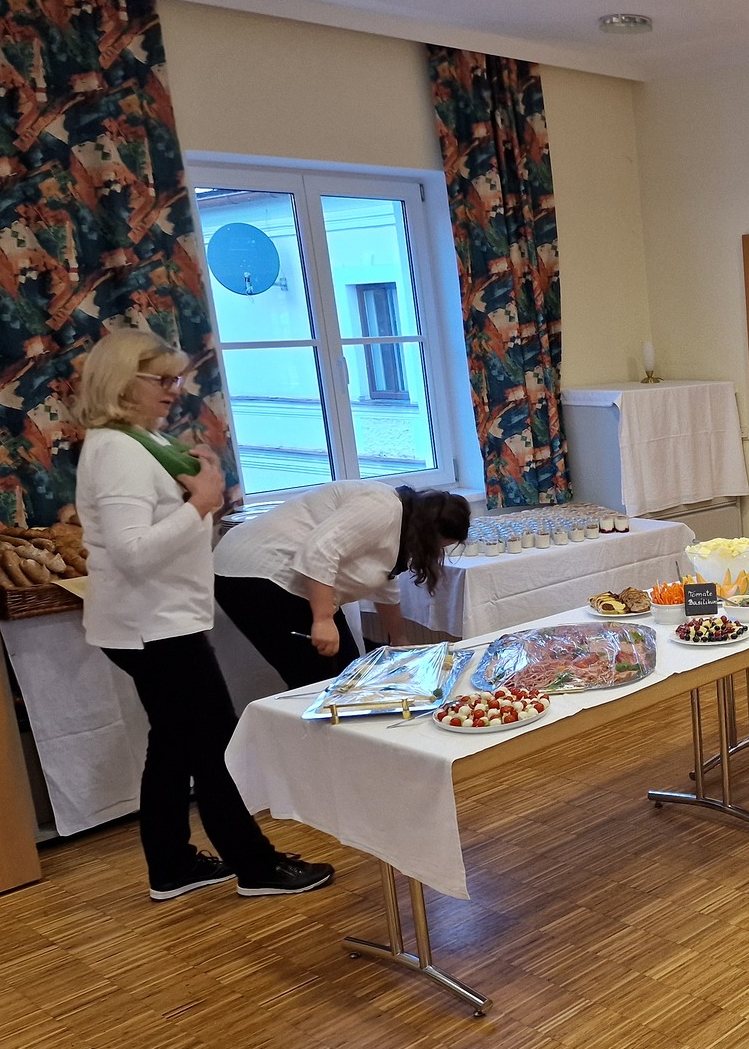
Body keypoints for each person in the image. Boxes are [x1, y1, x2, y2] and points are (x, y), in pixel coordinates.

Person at [73, 328, 334, 900]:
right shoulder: (118, 451)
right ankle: (256, 866)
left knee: (173, 744)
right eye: (162, 379)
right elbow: (132, 551)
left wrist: (202, 496)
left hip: (158, 621)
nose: (175, 389)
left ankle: (172, 865)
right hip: (153, 627)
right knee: (215, 745)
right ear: (122, 382)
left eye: (178, 377)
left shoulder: (138, 442)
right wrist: (201, 504)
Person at [213, 482, 470, 689]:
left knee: (349, 670)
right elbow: (319, 550)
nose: (434, 554)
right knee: (320, 682)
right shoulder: (382, 508)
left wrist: (398, 638)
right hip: (254, 574)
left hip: (287, 581)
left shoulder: (401, 524)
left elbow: (384, 581)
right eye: (437, 547)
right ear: (429, 533)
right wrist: (323, 619)